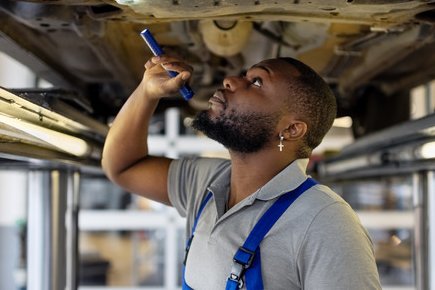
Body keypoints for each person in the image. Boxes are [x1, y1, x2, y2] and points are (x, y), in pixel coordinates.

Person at [102, 52, 382, 289]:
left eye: (257, 82)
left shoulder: (326, 223)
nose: (230, 80)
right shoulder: (209, 183)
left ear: (291, 129)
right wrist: (147, 93)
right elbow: (123, 166)